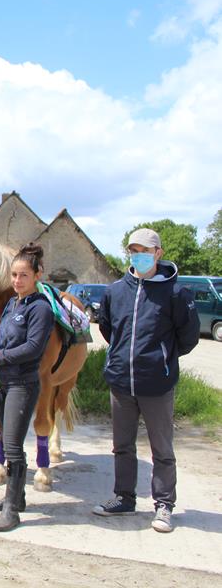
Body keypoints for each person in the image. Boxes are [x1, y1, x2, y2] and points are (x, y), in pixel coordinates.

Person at [92, 228, 199, 533]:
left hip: (157, 384)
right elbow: (108, 329)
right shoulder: (115, 292)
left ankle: (164, 505)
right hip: (121, 383)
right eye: (134, 251)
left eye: (145, 251)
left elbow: (188, 337)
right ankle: (124, 498)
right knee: (122, 446)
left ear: (158, 253)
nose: (138, 256)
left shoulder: (175, 293)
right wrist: (121, 357)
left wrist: (161, 359)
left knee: (161, 449)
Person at [0, 243, 53, 532]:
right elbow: (5, 343)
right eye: (14, 275)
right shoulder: (14, 304)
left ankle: (11, 511)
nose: (17, 280)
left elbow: (33, 348)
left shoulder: (40, 308)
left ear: (37, 275)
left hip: (22, 384)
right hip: (3, 383)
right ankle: (16, 498)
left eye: (23, 275)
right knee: (6, 440)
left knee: (13, 448)